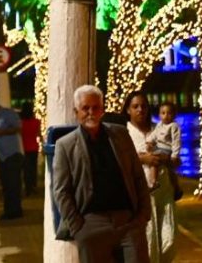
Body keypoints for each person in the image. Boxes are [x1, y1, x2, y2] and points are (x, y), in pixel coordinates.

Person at [53, 84, 151, 263]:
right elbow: (61, 191)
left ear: (102, 110)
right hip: (91, 225)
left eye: (95, 107)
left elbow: (138, 176)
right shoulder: (65, 145)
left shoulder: (120, 135)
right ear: (76, 112)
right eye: (85, 108)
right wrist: (78, 227)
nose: (91, 112)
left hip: (128, 222)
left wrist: (143, 215)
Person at [124, 90, 175, 263]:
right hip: (141, 194)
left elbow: (173, 154)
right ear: (128, 110)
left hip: (164, 190)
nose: (140, 110)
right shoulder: (124, 133)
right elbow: (120, 159)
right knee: (148, 240)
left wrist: (167, 158)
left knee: (168, 239)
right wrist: (142, 158)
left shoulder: (160, 128)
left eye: (144, 106)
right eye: (135, 106)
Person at [0, 94, 24, 219]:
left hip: (12, 154)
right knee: (6, 185)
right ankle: (8, 210)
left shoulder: (8, 114)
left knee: (13, 184)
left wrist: (2, 132)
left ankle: (15, 210)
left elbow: (18, 128)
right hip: (2, 156)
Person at [149, 101, 184, 201]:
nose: (166, 116)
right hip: (158, 147)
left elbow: (176, 141)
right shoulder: (159, 125)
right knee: (170, 170)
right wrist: (149, 142)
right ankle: (176, 188)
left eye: (169, 113)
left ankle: (153, 182)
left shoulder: (174, 126)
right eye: (163, 113)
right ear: (159, 114)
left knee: (154, 160)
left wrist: (175, 155)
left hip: (167, 149)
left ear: (174, 115)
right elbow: (154, 134)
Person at [19, 101, 42, 197]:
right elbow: (38, 134)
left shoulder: (20, 123)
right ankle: (33, 186)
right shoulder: (36, 122)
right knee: (33, 168)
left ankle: (28, 188)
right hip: (33, 147)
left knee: (26, 169)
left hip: (24, 148)